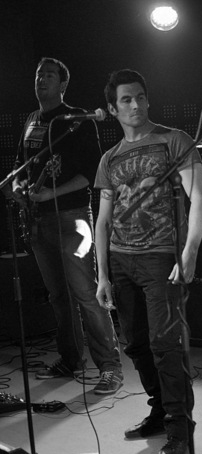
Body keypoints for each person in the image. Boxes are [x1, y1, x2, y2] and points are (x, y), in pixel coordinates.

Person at [94, 69, 202, 454]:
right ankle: (159, 412)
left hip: (161, 256)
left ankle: (179, 427)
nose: (136, 105)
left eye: (140, 97)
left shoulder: (174, 140)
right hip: (121, 260)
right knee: (137, 345)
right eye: (126, 100)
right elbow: (103, 221)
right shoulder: (109, 158)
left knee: (164, 343)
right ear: (112, 109)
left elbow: (199, 198)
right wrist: (103, 275)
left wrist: (189, 252)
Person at [8, 57, 122, 395]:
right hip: (37, 219)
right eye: (38, 74)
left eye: (49, 75)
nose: (41, 79)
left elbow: (93, 173)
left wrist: (51, 193)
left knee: (86, 293)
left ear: (63, 84)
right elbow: (19, 163)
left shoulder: (78, 120)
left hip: (73, 219)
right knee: (58, 296)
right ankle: (70, 359)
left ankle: (110, 367)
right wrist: (18, 186)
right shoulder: (31, 119)